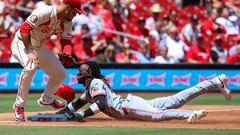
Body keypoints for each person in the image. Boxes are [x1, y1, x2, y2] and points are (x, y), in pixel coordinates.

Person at [56, 61, 231, 124]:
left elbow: (101, 104)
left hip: (129, 107)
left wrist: (82, 115)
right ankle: (216, 81)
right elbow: (74, 105)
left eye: (81, 71)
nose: (78, 73)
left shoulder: (94, 83)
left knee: (156, 116)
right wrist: (57, 115)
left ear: (89, 73)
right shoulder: (89, 89)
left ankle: (189, 114)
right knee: (176, 98)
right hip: (131, 104)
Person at [11, 0, 82, 121]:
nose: (76, 15)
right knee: (30, 67)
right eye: (75, 12)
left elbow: (66, 41)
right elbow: (24, 30)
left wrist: (67, 53)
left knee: (60, 73)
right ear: (67, 8)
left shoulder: (67, 22)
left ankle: (46, 100)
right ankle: (19, 105)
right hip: (22, 43)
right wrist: (30, 51)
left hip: (40, 47)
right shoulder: (44, 11)